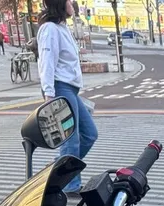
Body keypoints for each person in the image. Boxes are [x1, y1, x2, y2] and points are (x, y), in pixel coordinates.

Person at [38, 0, 97, 194]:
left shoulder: (62, 28)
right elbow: (47, 62)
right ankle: (69, 185)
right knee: (70, 139)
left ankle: (57, 172)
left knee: (89, 134)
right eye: (69, 0)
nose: (73, 3)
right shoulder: (50, 29)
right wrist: (49, 95)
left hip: (70, 89)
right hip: (60, 88)